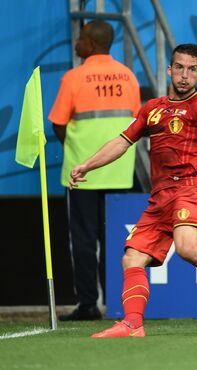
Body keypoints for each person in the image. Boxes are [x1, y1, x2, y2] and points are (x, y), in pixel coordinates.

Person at [69, 43, 197, 338]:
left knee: (187, 246)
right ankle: (133, 324)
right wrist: (87, 165)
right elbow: (122, 142)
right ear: (169, 69)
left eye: (192, 70)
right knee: (132, 258)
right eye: (180, 68)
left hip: (188, 188)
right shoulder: (152, 109)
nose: (185, 75)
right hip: (159, 197)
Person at [49, 20, 141, 321]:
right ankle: (119, 304)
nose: (76, 42)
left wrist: (74, 150)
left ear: (90, 43)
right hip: (120, 171)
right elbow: (136, 124)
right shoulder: (128, 77)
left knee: (84, 241)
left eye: (80, 38)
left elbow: (58, 124)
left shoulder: (74, 77)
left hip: (83, 172)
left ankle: (88, 305)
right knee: (118, 241)